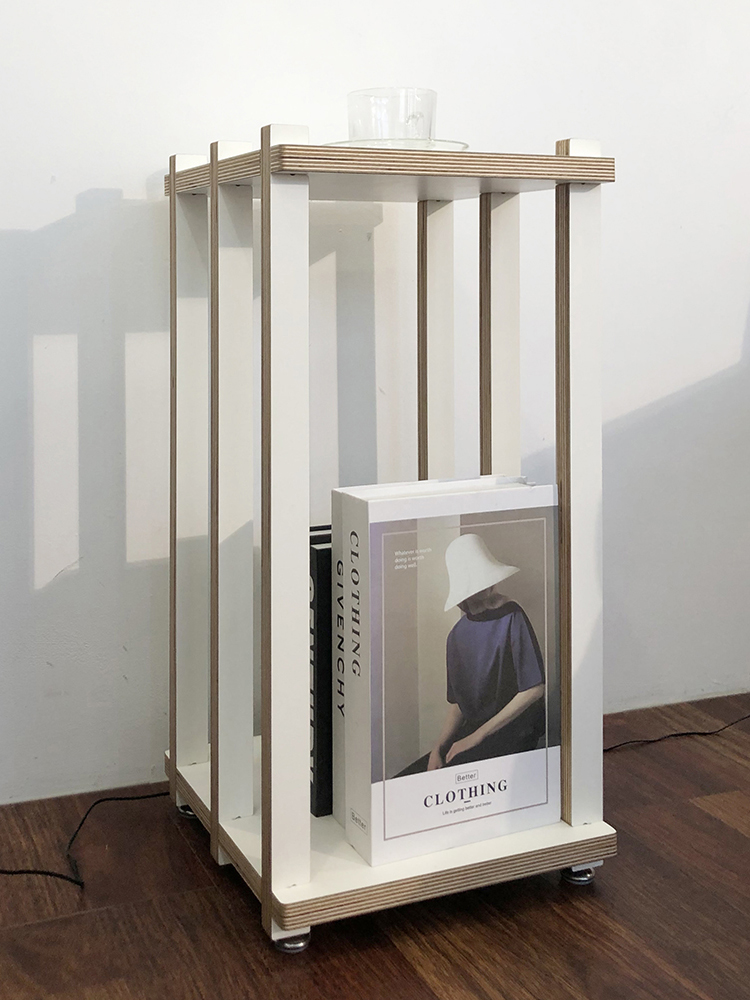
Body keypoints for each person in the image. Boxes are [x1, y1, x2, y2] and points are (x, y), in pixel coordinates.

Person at [396, 532, 545, 777]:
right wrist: (438, 748)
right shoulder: (456, 636)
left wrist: (476, 737)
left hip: (516, 730)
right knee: (413, 776)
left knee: (449, 776)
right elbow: (459, 704)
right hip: (475, 731)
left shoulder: (511, 615)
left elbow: (534, 689)